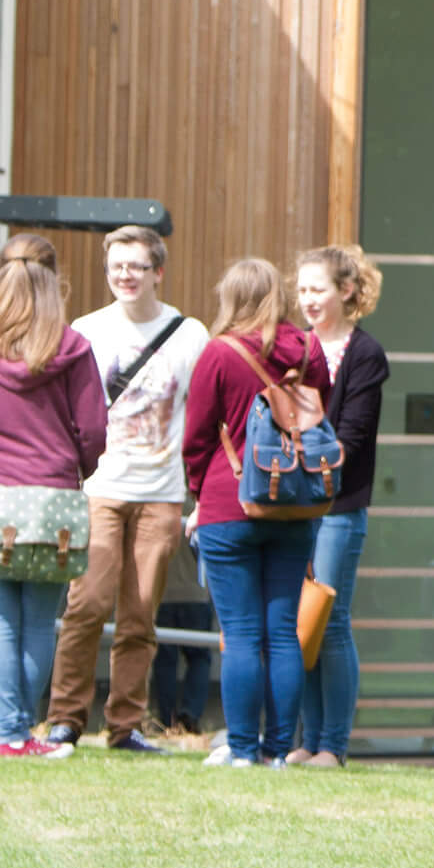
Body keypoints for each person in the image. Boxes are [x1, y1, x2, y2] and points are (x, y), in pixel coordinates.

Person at [0, 234, 109, 759]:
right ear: (55, 281)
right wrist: (71, 469)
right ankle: (22, 733)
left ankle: (7, 734)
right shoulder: (73, 348)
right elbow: (94, 430)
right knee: (38, 621)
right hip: (53, 501)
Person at [42, 226, 208, 755]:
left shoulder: (189, 334)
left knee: (140, 614)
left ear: (158, 271)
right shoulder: (86, 331)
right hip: (100, 487)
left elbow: (204, 417)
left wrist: (199, 493)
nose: (126, 275)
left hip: (162, 492)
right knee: (86, 603)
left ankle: (126, 725)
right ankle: (66, 718)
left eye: (137, 266)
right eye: (117, 265)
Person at [180, 257, 333, 769]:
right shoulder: (310, 350)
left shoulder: (218, 353)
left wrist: (201, 494)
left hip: (230, 504)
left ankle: (243, 750)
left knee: (242, 633)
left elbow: (197, 437)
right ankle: (278, 751)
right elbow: (317, 417)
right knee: (283, 630)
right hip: (293, 505)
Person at [288, 245, 387, 768]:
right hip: (292, 508)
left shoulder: (364, 354)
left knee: (331, 618)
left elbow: (351, 434)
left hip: (338, 505)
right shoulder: (293, 346)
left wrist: (307, 468)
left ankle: (334, 744)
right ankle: (306, 740)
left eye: (317, 289)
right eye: (301, 290)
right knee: (301, 622)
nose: (306, 299)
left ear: (346, 292)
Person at [150, 531, 215, 734]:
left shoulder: (162, 505)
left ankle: (166, 719)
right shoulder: (199, 507)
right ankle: (190, 715)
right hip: (196, 594)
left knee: (165, 662)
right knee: (199, 658)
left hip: (163, 594)